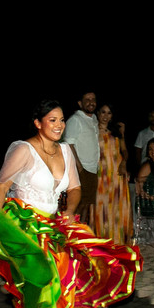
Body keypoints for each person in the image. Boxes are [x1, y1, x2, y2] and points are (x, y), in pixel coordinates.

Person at [0, 100, 141, 308]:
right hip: (22, 221)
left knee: (64, 275)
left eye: (61, 120)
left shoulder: (66, 151)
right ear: (38, 123)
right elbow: (2, 187)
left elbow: (75, 188)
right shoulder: (23, 149)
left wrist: (70, 210)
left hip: (52, 223)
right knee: (39, 278)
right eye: (52, 120)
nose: (59, 125)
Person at [94, 103, 131, 244]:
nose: (105, 116)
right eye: (103, 112)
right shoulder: (92, 131)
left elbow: (125, 151)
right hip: (100, 174)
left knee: (116, 207)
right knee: (100, 207)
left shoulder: (116, 131)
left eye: (109, 113)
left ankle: (117, 240)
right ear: (98, 113)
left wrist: (124, 162)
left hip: (116, 172)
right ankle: (100, 241)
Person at [61, 92, 99, 224]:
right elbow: (68, 144)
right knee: (78, 204)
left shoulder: (94, 118)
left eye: (93, 99)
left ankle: (80, 233)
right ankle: (72, 233)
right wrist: (79, 166)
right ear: (80, 103)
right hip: (82, 168)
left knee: (87, 205)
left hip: (92, 168)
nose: (91, 102)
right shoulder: (75, 120)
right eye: (87, 99)